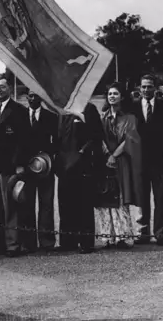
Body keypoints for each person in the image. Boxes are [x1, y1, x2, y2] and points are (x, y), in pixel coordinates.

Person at [0, 74, 30, 257]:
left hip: (9, 166)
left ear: (9, 88)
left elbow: (23, 141)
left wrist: (19, 165)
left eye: (2, 87)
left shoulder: (19, 110)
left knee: (11, 207)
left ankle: (13, 244)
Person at [96, 83, 143, 249]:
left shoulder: (130, 118)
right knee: (105, 197)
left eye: (115, 94)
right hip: (105, 161)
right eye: (109, 94)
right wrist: (108, 155)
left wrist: (114, 155)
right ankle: (108, 237)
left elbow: (130, 139)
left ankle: (123, 236)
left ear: (122, 97)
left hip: (122, 161)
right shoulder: (102, 117)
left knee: (121, 198)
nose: (112, 96)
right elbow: (98, 137)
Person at [56, 102, 104, 254]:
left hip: (82, 165)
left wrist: (82, 154)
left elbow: (96, 136)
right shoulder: (62, 110)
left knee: (84, 204)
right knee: (65, 204)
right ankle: (67, 242)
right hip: (64, 165)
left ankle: (86, 242)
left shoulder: (88, 108)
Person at [131, 74, 163, 246]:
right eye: (143, 86)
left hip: (159, 161)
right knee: (142, 197)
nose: (146, 90)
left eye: (149, 86)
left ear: (156, 88)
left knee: (161, 198)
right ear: (139, 88)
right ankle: (142, 232)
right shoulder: (132, 108)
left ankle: (160, 233)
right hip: (140, 160)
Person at [21, 90, 59, 252]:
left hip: (46, 166)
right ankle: (28, 243)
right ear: (26, 98)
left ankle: (47, 241)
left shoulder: (51, 117)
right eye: (30, 96)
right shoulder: (20, 116)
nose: (33, 99)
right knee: (27, 204)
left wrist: (47, 157)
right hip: (26, 167)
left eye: (36, 96)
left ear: (41, 98)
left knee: (46, 204)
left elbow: (57, 141)